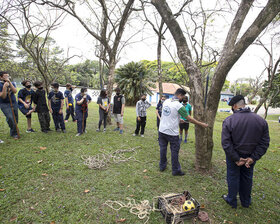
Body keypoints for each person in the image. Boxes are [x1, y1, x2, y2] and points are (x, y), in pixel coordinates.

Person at [221, 95, 270, 209]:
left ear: (235, 106)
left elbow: (226, 143)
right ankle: (246, 201)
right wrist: (253, 158)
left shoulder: (229, 120)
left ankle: (232, 200)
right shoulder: (261, 121)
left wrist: (236, 159)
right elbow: (264, 142)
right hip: (250, 157)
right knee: (247, 177)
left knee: (233, 177)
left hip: (234, 156)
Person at [159, 88, 208, 176]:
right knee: (174, 152)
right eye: (183, 96)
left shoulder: (166, 101)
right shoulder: (178, 105)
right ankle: (176, 170)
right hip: (172, 133)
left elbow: (168, 114)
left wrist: (179, 119)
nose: (183, 99)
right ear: (180, 95)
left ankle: (162, 166)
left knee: (163, 149)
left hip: (162, 130)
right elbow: (189, 118)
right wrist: (201, 124)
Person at [0, 71, 19, 139]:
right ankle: (14, 133)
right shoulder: (0, 84)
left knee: (15, 118)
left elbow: (15, 91)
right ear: (1, 77)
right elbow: (3, 96)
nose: (7, 78)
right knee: (10, 118)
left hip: (13, 102)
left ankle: (13, 131)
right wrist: (4, 86)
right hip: (4, 104)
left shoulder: (12, 83)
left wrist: (10, 83)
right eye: (5, 76)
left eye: (8, 76)